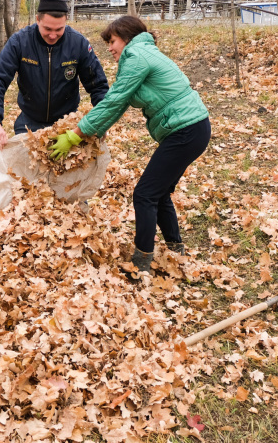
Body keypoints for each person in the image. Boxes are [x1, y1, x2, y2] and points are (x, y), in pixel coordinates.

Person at [50, 16, 211, 276]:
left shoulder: (137, 56)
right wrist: (97, 130)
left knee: (144, 194)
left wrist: (75, 135)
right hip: (192, 128)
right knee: (158, 193)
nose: (110, 48)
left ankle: (141, 263)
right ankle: (175, 249)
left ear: (126, 37)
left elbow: (114, 100)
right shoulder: (142, 54)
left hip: (186, 130)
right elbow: (120, 104)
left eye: (112, 42)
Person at [0, 0, 110, 148]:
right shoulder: (20, 42)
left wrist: (101, 121)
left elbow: (98, 85)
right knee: (26, 169)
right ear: (38, 19)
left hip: (67, 122)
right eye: (47, 29)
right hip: (29, 121)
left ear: (65, 22)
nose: (52, 35)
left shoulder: (78, 43)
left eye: (59, 29)